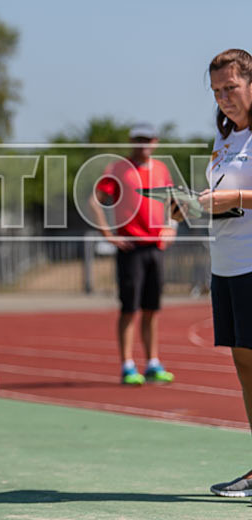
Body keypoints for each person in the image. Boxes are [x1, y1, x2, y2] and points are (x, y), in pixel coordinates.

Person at [184, 49, 252, 497]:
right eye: (216, 91)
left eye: (231, 87)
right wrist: (193, 203)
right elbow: (225, 195)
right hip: (225, 266)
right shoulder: (225, 137)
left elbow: (239, 198)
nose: (224, 98)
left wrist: (232, 200)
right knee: (245, 368)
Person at [89, 124, 177, 385]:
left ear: (156, 141)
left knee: (152, 309)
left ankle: (153, 362)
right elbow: (94, 202)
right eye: (139, 139)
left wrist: (171, 229)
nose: (143, 144)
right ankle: (127, 365)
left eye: (148, 139)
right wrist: (107, 234)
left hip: (155, 248)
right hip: (131, 248)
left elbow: (172, 202)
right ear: (131, 141)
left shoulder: (161, 169)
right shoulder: (118, 169)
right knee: (129, 308)